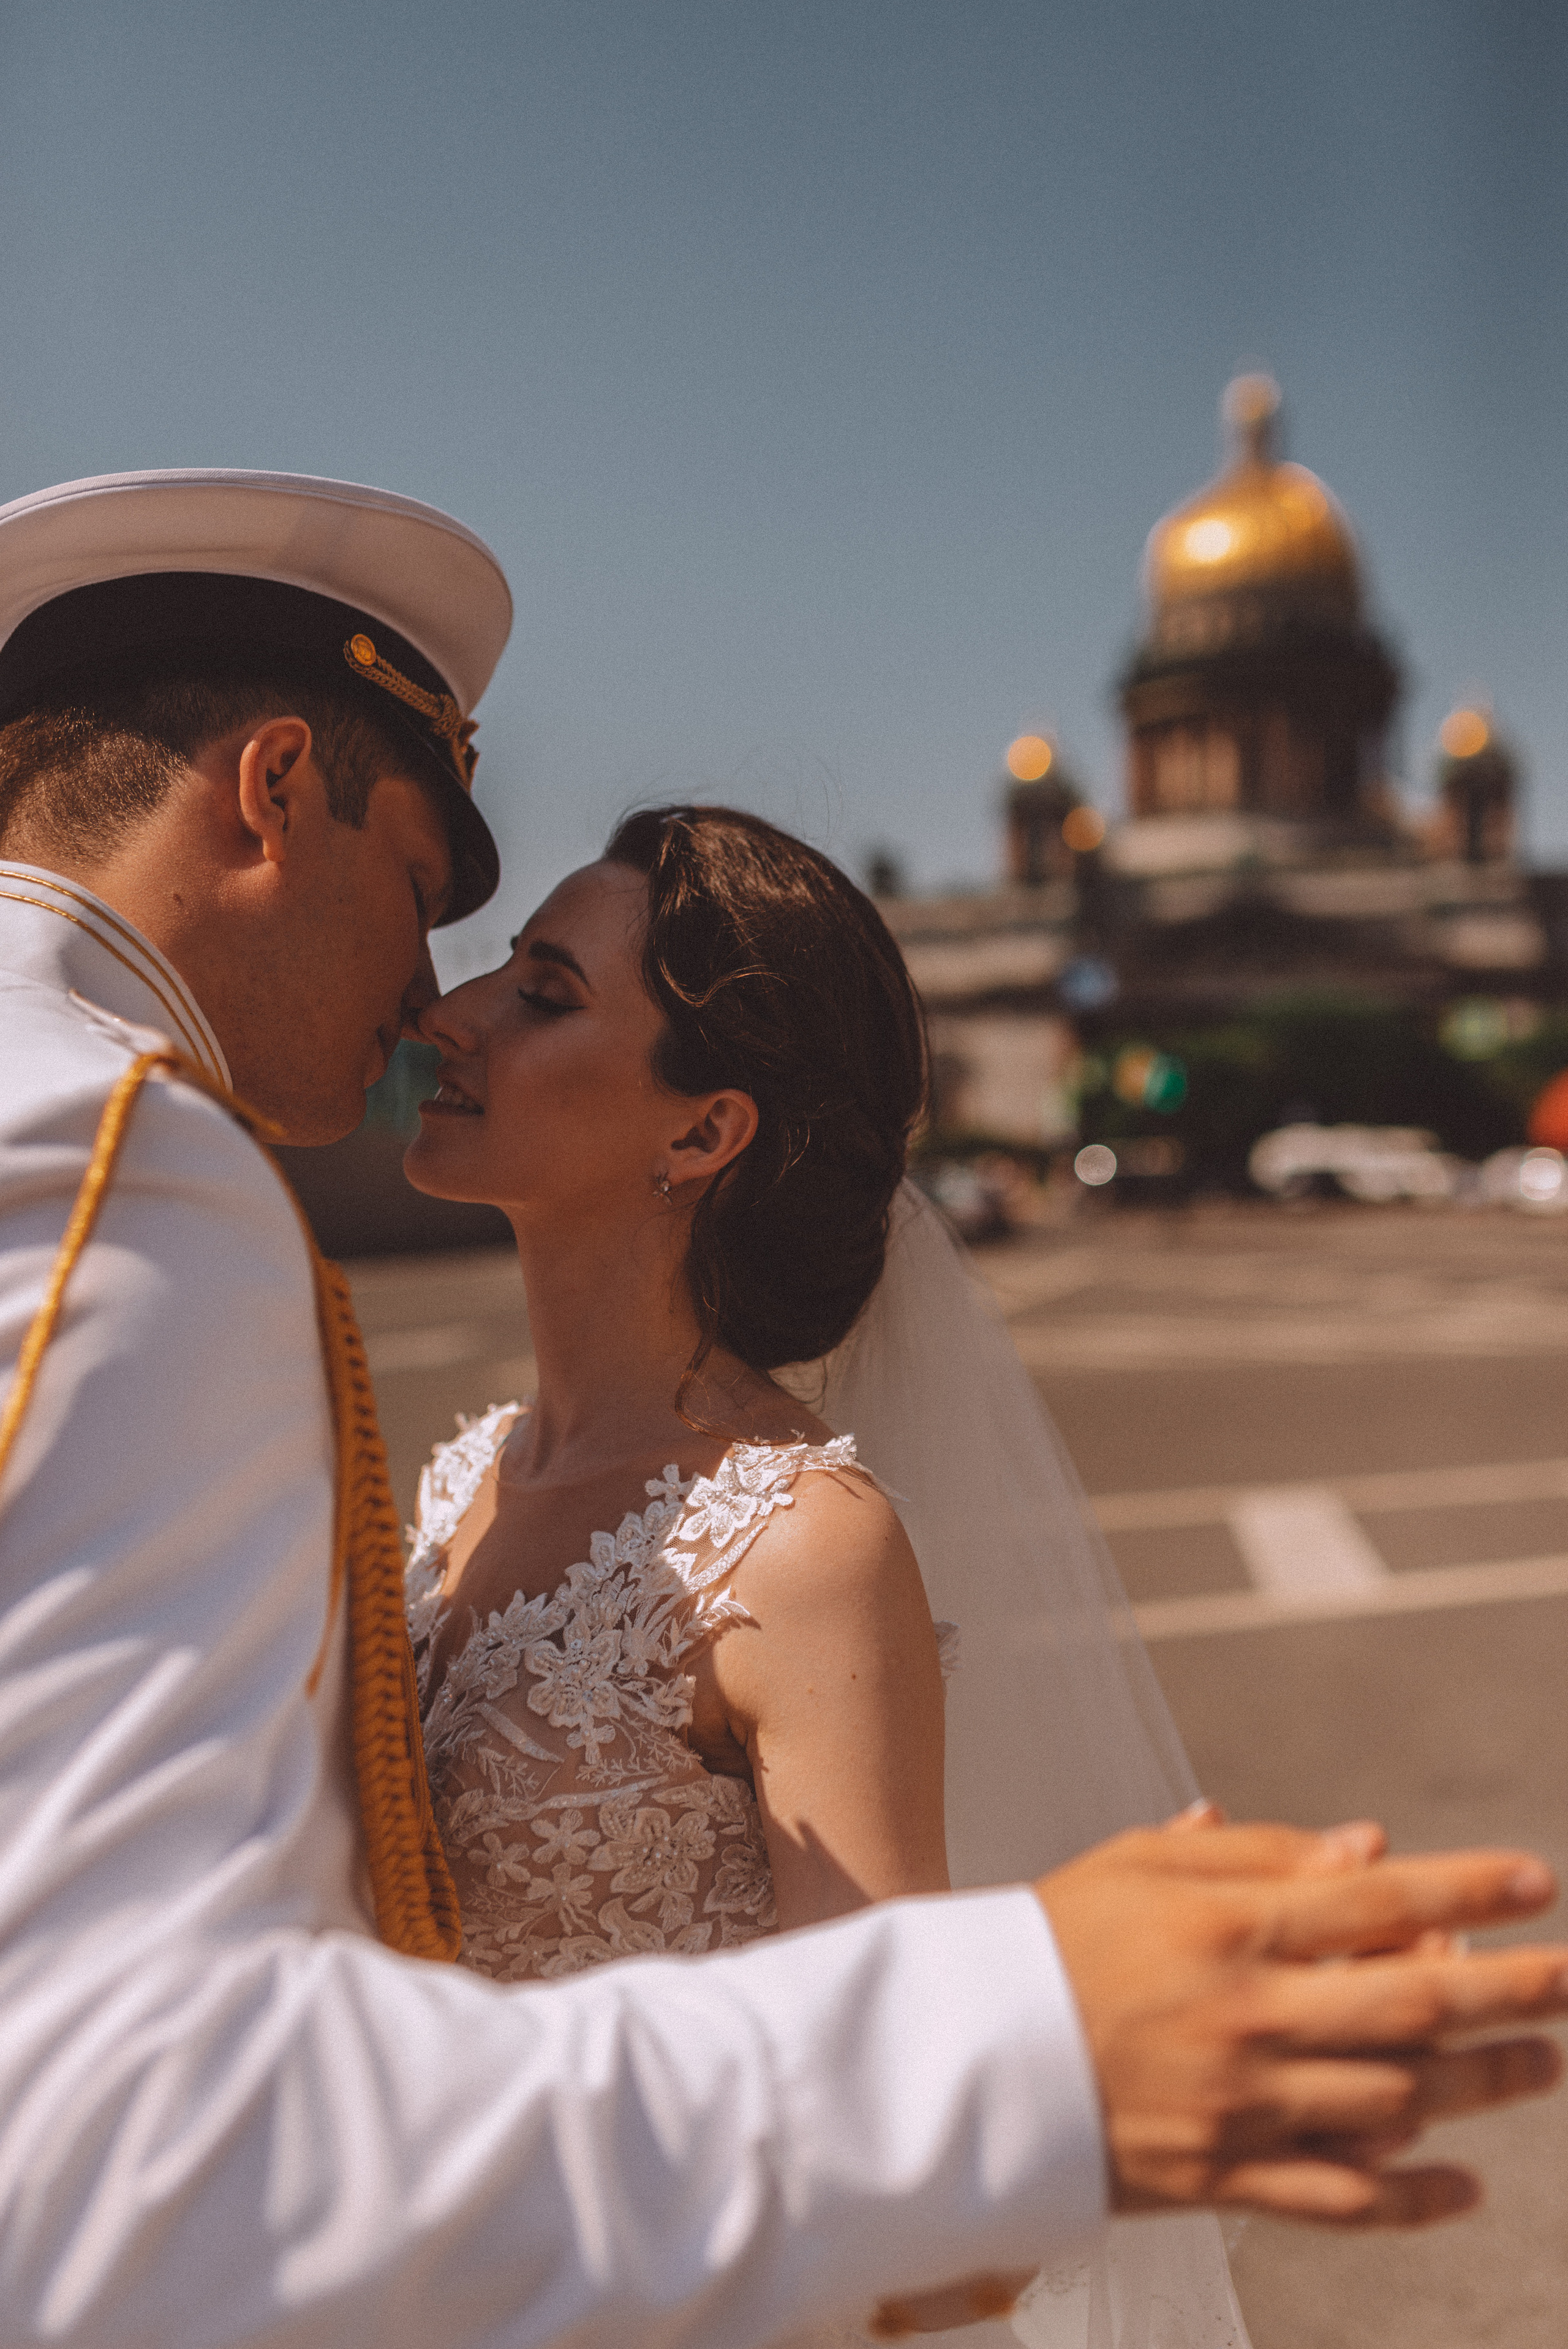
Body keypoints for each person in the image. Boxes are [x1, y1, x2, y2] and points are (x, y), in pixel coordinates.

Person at [0, 469, 1562, 2349]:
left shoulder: (789, 1539)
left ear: (705, 1126)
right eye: (441, 903)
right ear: (269, 787)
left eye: (538, 982)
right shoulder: (149, 1192)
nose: (445, 1002)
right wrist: (1006, 2058)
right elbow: (112, 2123)